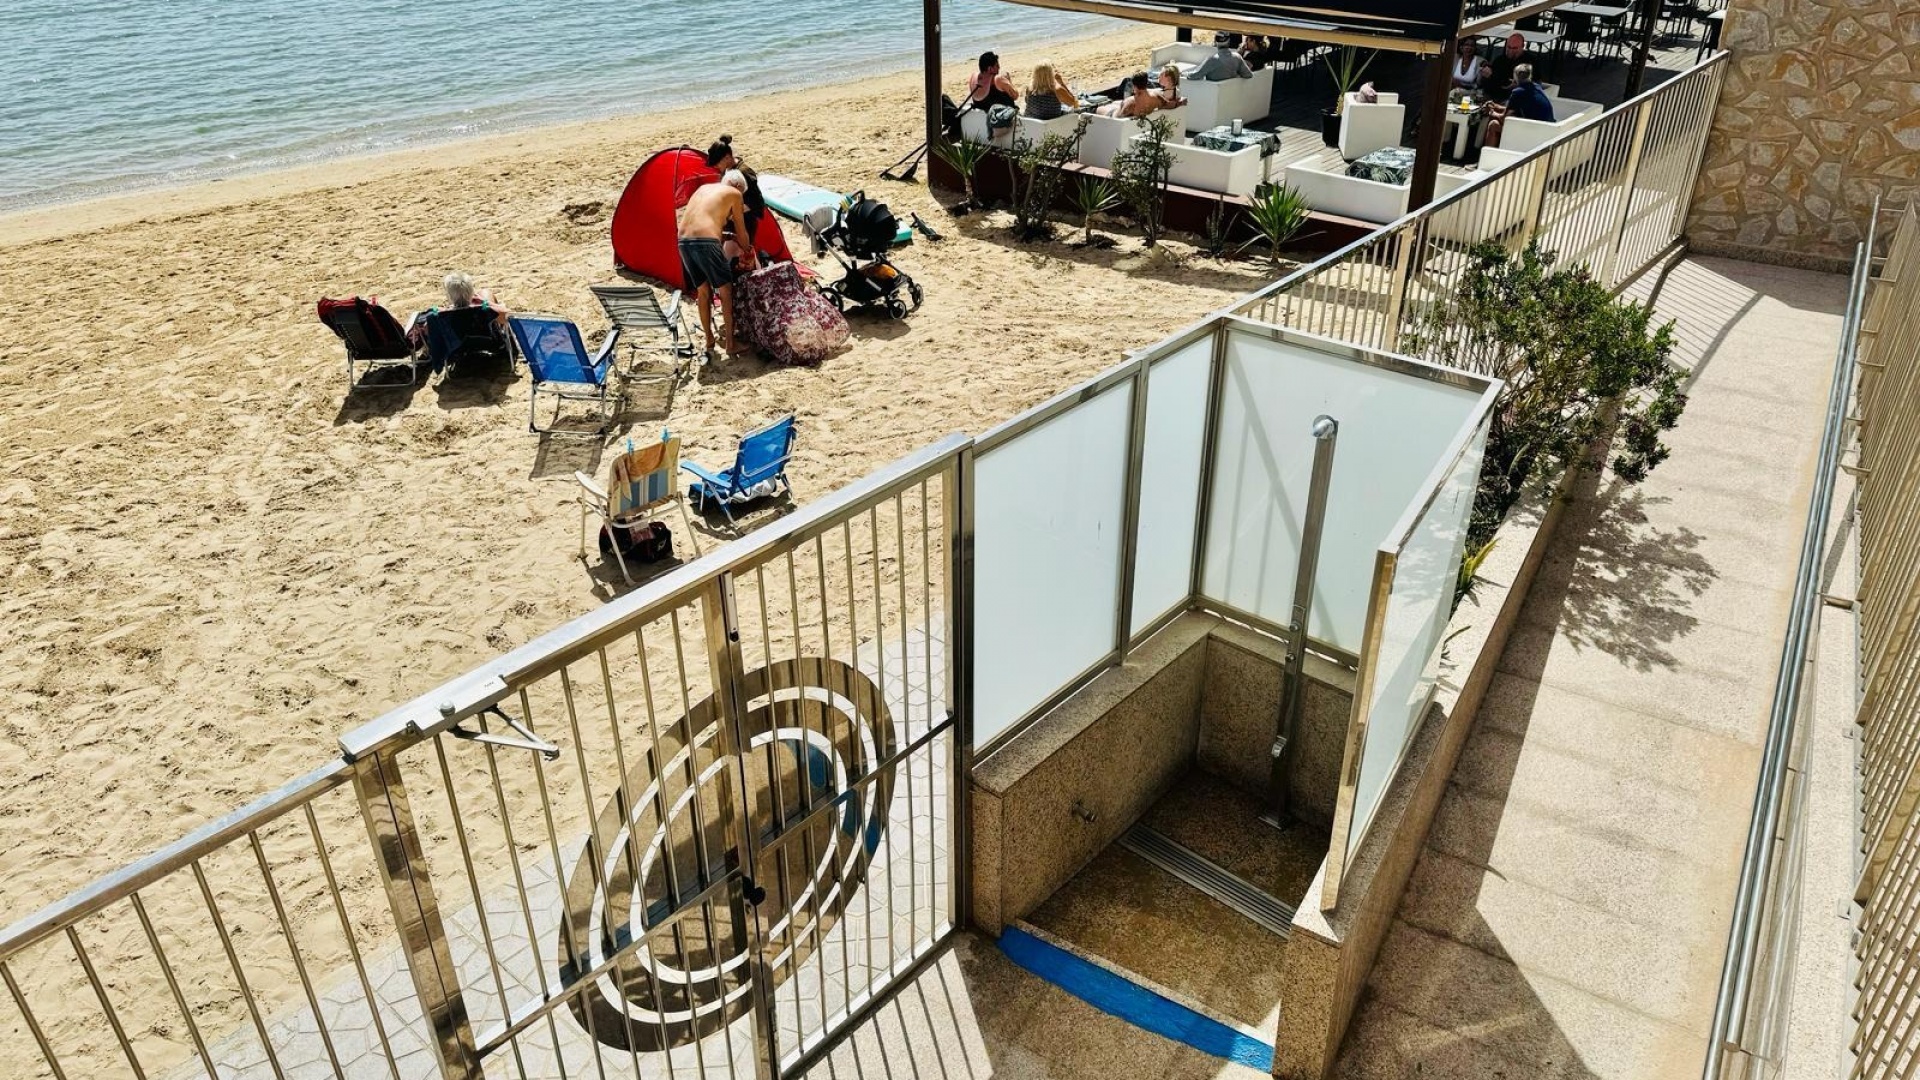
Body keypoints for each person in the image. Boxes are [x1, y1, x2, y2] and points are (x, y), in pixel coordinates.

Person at [679, 170, 758, 359]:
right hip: (706, 241)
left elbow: (703, 223)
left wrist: (727, 236)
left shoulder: (703, 189)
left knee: (703, 291)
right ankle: (731, 344)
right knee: (726, 291)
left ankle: (709, 340)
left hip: (683, 241)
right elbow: (741, 230)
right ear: (737, 186)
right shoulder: (735, 193)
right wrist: (747, 250)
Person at [408, 271, 506, 346]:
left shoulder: (440, 316)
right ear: (471, 292)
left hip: (456, 351)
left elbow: (427, 330)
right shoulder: (485, 310)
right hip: (489, 345)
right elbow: (507, 316)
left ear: (449, 296)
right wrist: (485, 302)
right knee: (486, 292)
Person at [1483, 64, 1555, 148]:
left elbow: (1504, 118)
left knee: (1493, 124)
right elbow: (1513, 110)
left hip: (1535, 131)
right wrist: (1496, 106)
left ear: (1515, 76)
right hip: (1547, 128)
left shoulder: (1518, 92)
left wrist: (1492, 112)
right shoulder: (1537, 87)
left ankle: (1488, 153)